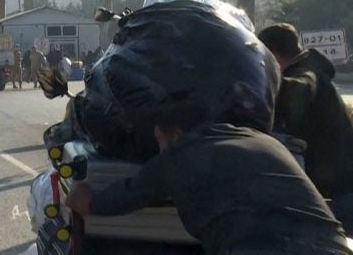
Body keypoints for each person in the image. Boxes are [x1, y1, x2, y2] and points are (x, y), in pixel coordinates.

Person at [65, 101, 351, 254]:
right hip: (333, 244)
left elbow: (115, 200)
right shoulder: (267, 141)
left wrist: (80, 197)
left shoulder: (179, 155)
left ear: (175, 135)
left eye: (159, 141)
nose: (159, 149)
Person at [258, 24, 353, 224]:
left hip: (337, 195)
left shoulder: (309, 73)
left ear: (272, 54)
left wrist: (255, 83)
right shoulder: (311, 69)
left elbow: (296, 94)